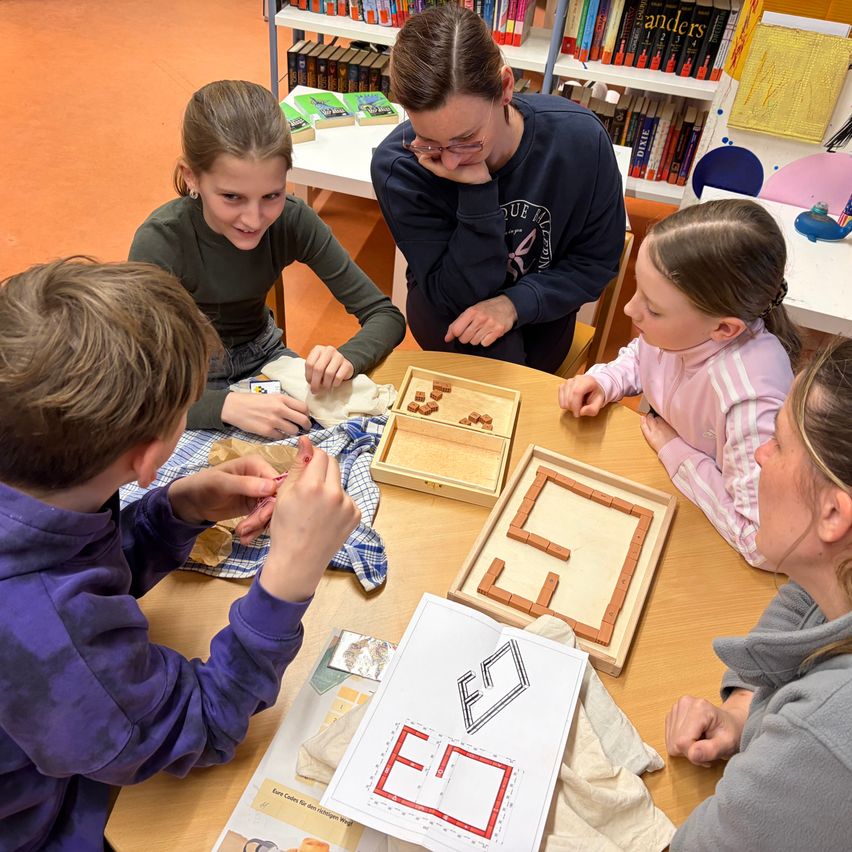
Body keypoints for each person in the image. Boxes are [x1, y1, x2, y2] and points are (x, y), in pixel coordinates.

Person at [0, 258, 360, 849]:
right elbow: (202, 727)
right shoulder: (49, 628)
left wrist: (176, 510)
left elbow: (77, 567)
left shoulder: (33, 485)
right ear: (149, 458)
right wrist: (287, 580)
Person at [130, 80, 406, 439]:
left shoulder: (292, 219)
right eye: (232, 197)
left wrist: (347, 358)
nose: (254, 219)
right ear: (191, 177)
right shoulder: (161, 241)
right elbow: (136, 386)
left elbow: (385, 316)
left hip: (265, 361)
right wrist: (223, 405)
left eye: (272, 196)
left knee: (336, 444)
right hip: (184, 382)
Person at [664, 337, 852, 849]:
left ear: (833, 513)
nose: (760, 455)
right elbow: (807, 595)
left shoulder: (824, 736)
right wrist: (745, 709)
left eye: (780, 443)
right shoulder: (837, 573)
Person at [370, 4, 625, 373]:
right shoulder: (400, 165)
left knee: (509, 373)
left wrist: (514, 304)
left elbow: (596, 262)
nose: (450, 162)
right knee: (494, 366)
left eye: (466, 139)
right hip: (449, 308)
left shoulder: (579, 140)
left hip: (540, 313)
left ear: (505, 88)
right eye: (431, 142)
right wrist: (477, 193)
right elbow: (453, 295)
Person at [558, 199, 801, 567]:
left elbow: (762, 544)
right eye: (638, 289)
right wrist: (605, 380)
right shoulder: (685, 332)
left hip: (710, 542)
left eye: (653, 308)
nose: (629, 309)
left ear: (724, 328)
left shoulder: (751, 402)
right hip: (671, 485)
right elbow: (643, 356)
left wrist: (675, 451)